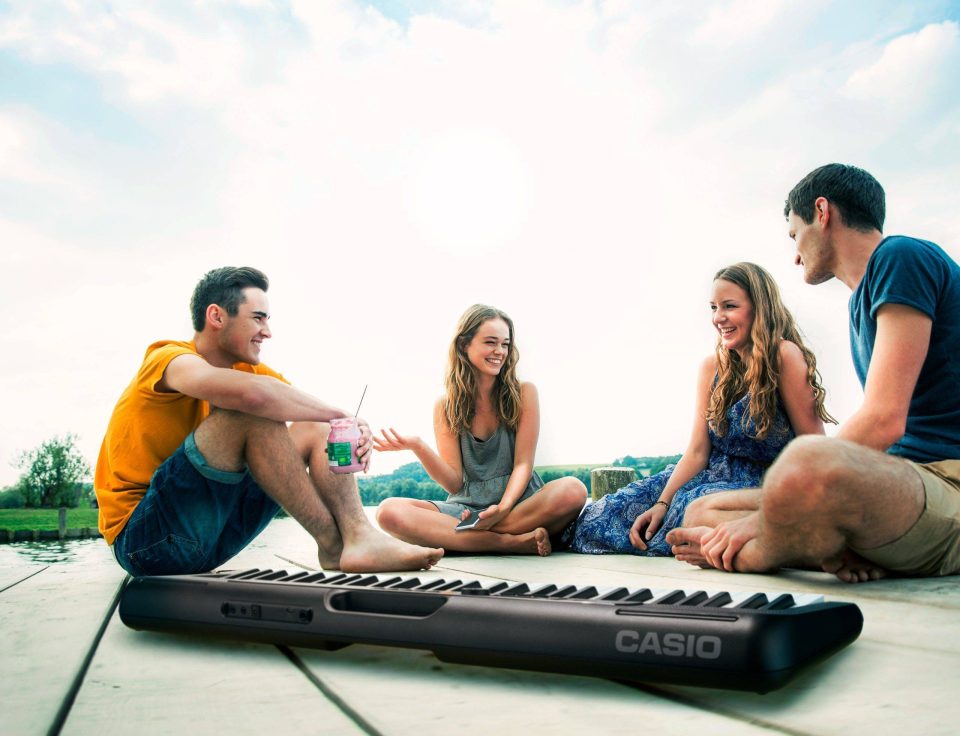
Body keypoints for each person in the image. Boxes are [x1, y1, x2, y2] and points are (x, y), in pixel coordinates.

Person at [668, 163, 960, 581]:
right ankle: (826, 548)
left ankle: (766, 550)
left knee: (806, 463)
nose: (795, 253)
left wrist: (762, 519)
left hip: (947, 482)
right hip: (901, 483)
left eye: (794, 233)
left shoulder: (900, 258)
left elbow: (884, 419)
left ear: (822, 212)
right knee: (703, 509)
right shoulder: (863, 301)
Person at [95, 266, 443, 576]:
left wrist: (350, 427)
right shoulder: (169, 358)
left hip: (210, 539)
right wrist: (341, 413)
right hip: (145, 540)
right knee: (254, 410)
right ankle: (336, 544)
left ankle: (356, 538)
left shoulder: (252, 373)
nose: (267, 331)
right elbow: (255, 397)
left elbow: (300, 413)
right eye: (258, 318)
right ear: (216, 316)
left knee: (319, 428)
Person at [566, 262, 834, 555]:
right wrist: (661, 502)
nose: (719, 318)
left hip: (763, 484)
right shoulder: (711, 368)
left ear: (760, 308)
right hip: (706, 473)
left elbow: (813, 446)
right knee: (598, 520)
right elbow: (696, 451)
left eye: (729, 306)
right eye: (713, 307)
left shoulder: (784, 355)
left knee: (695, 510)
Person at [373, 304, 587, 556]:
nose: (499, 351)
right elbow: (454, 484)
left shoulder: (524, 393)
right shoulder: (445, 406)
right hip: (467, 508)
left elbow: (523, 464)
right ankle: (510, 543)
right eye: (490, 342)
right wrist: (418, 446)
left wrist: (503, 509)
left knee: (573, 490)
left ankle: (472, 538)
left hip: (520, 504)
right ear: (464, 345)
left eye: (505, 344)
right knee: (388, 512)